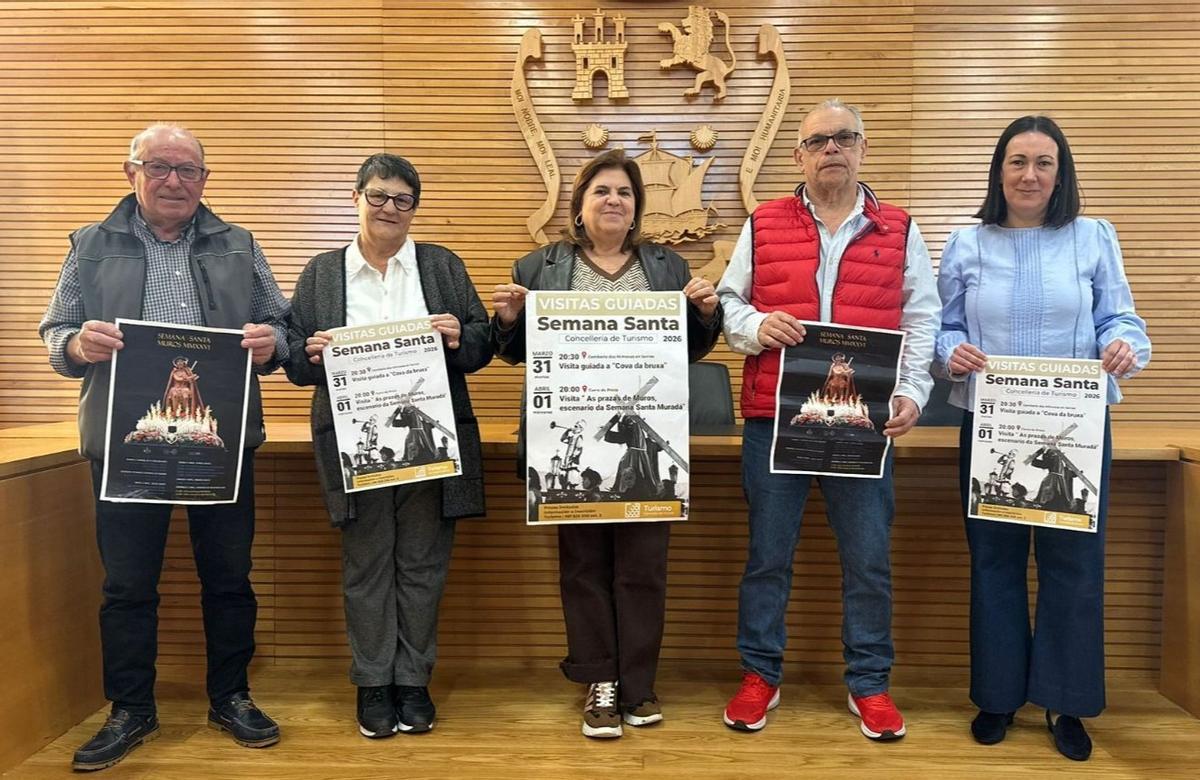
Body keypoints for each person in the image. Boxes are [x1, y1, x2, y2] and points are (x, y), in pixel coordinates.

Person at [38, 123, 289, 771]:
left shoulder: (239, 244)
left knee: (229, 579)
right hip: (128, 443)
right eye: (159, 167)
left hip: (218, 441)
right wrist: (76, 344)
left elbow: (282, 324)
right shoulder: (90, 245)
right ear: (132, 173)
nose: (174, 180)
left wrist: (273, 344)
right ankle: (131, 709)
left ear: (205, 179)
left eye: (188, 169)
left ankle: (230, 698)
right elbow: (56, 331)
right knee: (127, 585)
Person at [716, 99, 940, 740]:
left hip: (863, 423)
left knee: (867, 559)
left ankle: (869, 682)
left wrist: (912, 391)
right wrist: (757, 325)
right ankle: (760, 676)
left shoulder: (900, 228)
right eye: (818, 141)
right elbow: (729, 302)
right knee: (767, 557)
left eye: (845, 137)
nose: (832, 148)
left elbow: (922, 317)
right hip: (776, 419)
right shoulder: (763, 223)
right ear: (799, 156)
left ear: (863, 148)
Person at [935, 115, 1150, 760]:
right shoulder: (967, 242)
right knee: (993, 562)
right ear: (999, 171)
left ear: (1061, 174)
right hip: (994, 425)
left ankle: (1065, 701)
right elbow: (944, 328)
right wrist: (952, 352)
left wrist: (1123, 344)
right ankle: (998, 695)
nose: (1029, 175)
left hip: (1075, 427)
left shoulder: (1092, 237)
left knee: (1073, 566)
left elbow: (1122, 318)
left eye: (1044, 163)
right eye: (1017, 161)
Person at [491, 148, 722, 738]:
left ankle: (638, 684)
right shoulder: (539, 266)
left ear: (637, 207)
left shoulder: (667, 267)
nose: (613, 200)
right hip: (575, 445)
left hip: (645, 446)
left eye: (624, 192)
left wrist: (705, 313)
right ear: (579, 206)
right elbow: (514, 353)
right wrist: (509, 321)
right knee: (584, 569)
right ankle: (600, 681)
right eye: (601, 191)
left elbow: (692, 350)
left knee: (643, 569)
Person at [285, 153, 491, 739]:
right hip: (359, 446)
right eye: (378, 196)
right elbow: (293, 356)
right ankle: (374, 681)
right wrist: (309, 353)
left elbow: (483, 342)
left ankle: (413, 680)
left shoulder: (442, 266)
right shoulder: (323, 272)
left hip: (431, 443)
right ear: (356, 198)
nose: (389, 209)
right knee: (367, 564)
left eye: (403, 200)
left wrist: (461, 336)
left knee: (423, 565)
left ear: (414, 209)